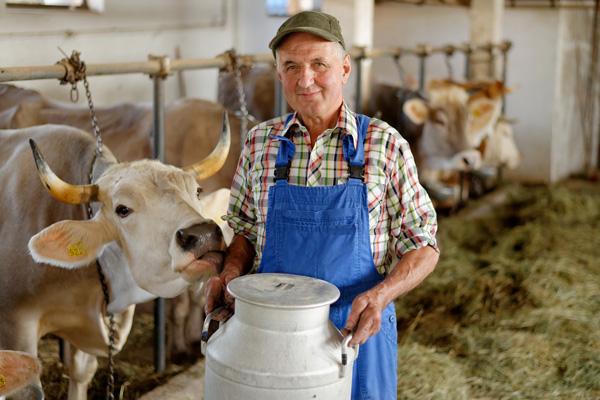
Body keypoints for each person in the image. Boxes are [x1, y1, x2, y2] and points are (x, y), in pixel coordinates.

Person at [205, 10, 439, 400]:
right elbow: (244, 230)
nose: (305, 78)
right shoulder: (260, 144)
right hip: (269, 335)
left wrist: (382, 296)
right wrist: (230, 272)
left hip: (356, 333)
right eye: (291, 66)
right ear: (279, 74)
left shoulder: (383, 144)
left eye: (319, 64)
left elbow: (423, 244)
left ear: (345, 68)